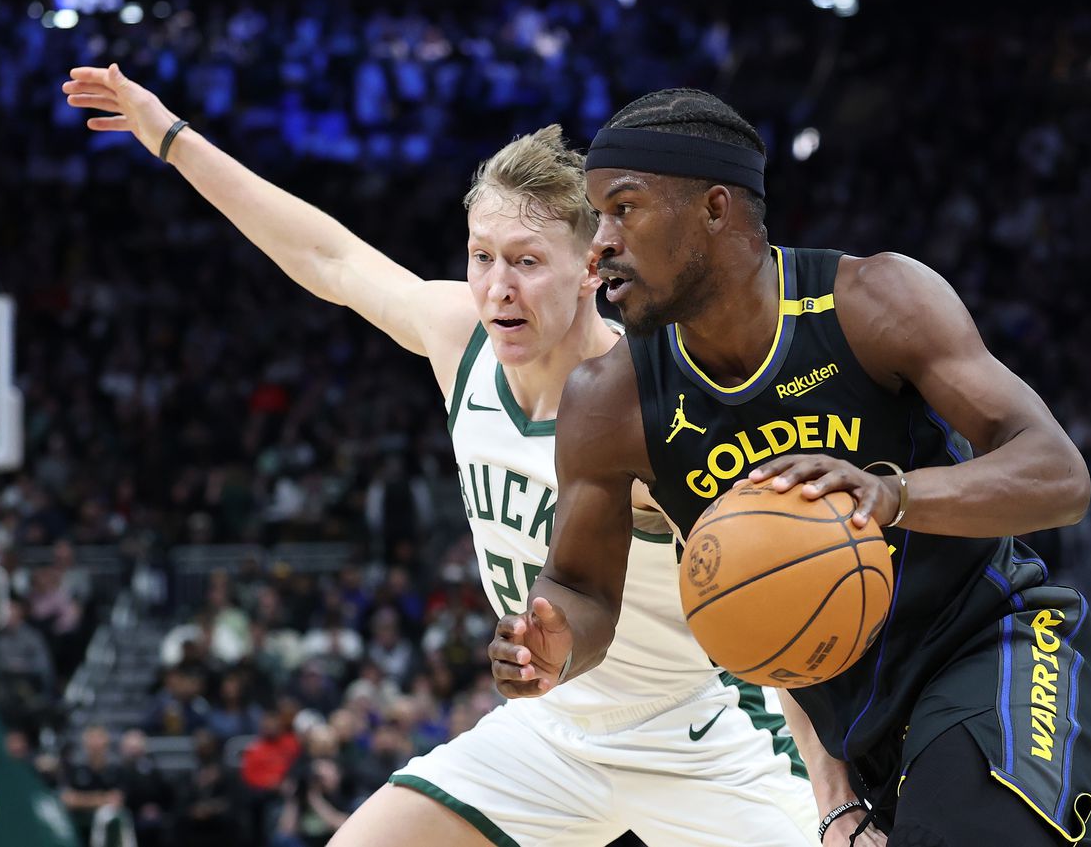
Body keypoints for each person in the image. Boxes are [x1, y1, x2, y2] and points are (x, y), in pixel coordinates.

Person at [64, 65, 818, 846]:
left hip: (703, 737)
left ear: (592, 266)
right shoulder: (461, 341)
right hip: (550, 731)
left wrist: (838, 796)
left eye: (525, 261)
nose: (497, 288)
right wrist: (170, 136)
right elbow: (330, 258)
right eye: (481, 257)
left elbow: (787, 601)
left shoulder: (661, 402)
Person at [487, 88, 1091, 847]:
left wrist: (893, 495)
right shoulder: (610, 401)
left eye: (622, 209)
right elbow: (579, 586)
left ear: (714, 208)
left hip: (996, 645)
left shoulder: (873, 302)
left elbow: (1058, 475)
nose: (598, 242)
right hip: (863, 729)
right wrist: (552, 641)